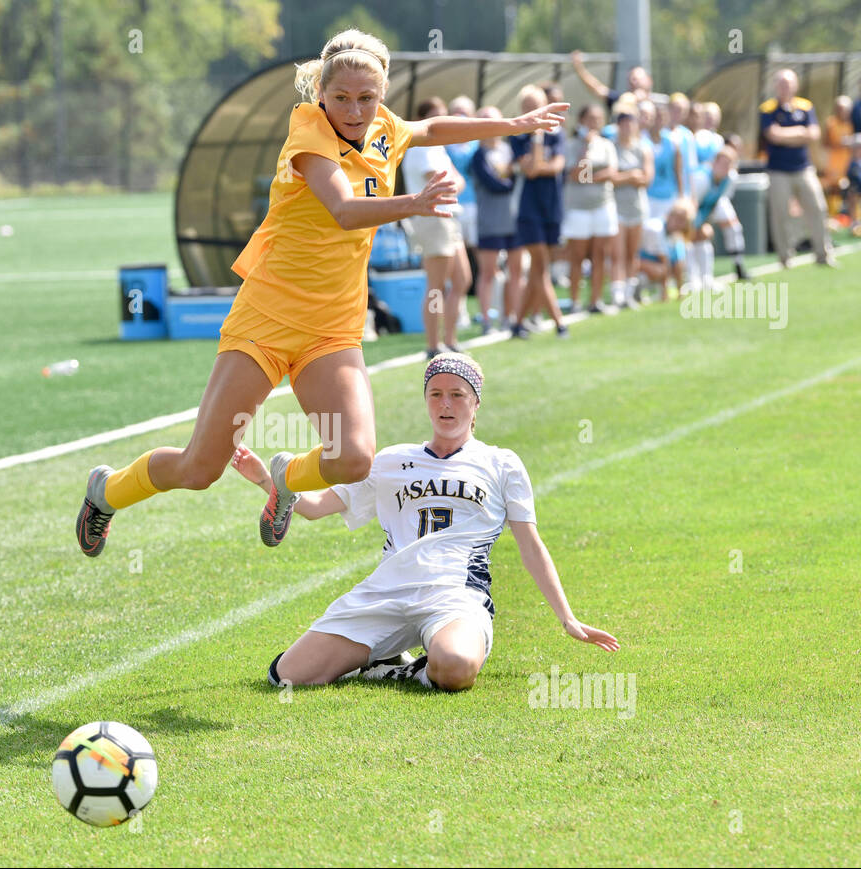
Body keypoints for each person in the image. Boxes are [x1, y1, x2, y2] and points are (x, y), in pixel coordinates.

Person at [75, 29, 568, 558]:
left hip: (332, 329)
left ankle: (286, 477)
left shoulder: (385, 126)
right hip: (265, 318)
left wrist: (512, 124)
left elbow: (430, 127)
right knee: (199, 469)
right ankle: (106, 490)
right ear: (321, 95)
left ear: (381, 97)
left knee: (355, 459)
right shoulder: (308, 133)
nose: (355, 110)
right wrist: (415, 203)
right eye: (342, 98)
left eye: (367, 98)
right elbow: (344, 211)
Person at [228, 353, 618, 691]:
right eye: (436, 394)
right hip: (387, 591)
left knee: (456, 667)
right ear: (426, 400)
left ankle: (397, 670)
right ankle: (385, 653)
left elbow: (530, 545)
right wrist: (269, 480)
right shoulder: (389, 460)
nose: (445, 404)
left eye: (457, 394)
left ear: (475, 403)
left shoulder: (502, 464)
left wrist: (567, 618)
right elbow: (314, 507)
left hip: (455, 596)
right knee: (288, 677)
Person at [403, 96, 471, 357]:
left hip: (449, 217)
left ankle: (450, 339)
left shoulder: (439, 148)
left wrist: (454, 184)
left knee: (462, 279)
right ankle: (433, 344)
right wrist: (454, 184)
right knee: (436, 285)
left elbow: (459, 182)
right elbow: (446, 185)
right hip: (432, 218)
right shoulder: (421, 147)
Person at [510, 85, 569, 339]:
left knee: (537, 268)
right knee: (541, 264)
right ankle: (559, 323)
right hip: (528, 208)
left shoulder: (558, 134)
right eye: (529, 106)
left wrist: (540, 163)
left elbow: (557, 166)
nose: (533, 111)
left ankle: (517, 323)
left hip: (551, 206)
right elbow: (533, 170)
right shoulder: (516, 137)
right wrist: (536, 136)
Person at [760, 69, 836, 268]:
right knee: (780, 213)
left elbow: (813, 134)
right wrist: (799, 133)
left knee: (818, 208)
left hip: (803, 168)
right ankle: (785, 258)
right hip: (778, 170)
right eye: (781, 83)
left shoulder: (805, 106)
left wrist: (788, 135)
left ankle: (823, 254)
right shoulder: (768, 109)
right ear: (776, 86)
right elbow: (773, 135)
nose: (785, 87)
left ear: (795, 85)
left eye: (788, 83)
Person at [563, 103, 619, 313]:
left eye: (598, 118)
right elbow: (577, 175)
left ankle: (595, 300)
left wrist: (590, 177)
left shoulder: (606, 144)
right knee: (576, 256)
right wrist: (585, 153)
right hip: (578, 209)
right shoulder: (572, 145)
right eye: (591, 118)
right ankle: (575, 301)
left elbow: (611, 173)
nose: (595, 123)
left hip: (603, 206)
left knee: (599, 255)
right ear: (582, 121)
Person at [469, 107, 519, 333]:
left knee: (514, 272)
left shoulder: (508, 150)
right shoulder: (479, 155)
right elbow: (495, 184)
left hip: (513, 219)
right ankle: (487, 319)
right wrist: (510, 179)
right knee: (488, 272)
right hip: (490, 220)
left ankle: (512, 316)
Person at [610, 103, 652, 307]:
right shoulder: (611, 147)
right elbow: (607, 177)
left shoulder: (643, 148)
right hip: (616, 207)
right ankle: (617, 293)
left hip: (637, 207)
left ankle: (629, 292)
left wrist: (626, 177)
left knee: (632, 253)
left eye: (630, 123)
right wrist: (629, 176)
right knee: (617, 253)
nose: (627, 127)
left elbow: (646, 177)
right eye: (623, 123)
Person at [446, 94, 481, 330]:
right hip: (452, 208)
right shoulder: (442, 143)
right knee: (454, 266)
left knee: (483, 257)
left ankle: (488, 311)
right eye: (456, 111)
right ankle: (459, 314)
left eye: (465, 111)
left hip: (475, 205)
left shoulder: (478, 142)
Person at [691, 144, 749, 281]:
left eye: (728, 164)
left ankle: (738, 265)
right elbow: (692, 205)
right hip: (693, 209)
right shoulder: (701, 178)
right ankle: (692, 277)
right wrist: (699, 224)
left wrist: (707, 221)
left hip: (710, 206)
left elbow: (719, 199)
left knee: (734, 227)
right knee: (696, 236)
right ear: (714, 162)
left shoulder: (730, 178)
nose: (724, 168)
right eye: (722, 163)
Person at [638, 199, 693, 302]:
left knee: (674, 265)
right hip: (636, 264)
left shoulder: (675, 237)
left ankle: (673, 292)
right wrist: (665, 293)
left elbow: (678, 264)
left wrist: (680, 292)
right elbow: (664, 262)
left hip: (650, 264)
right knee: (660, 270)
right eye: (677, 219)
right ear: (670, 216)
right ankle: (640, 293)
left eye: (683, 221)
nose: (679, 224)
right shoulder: (655, 228)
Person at [570, 50, 652, 109]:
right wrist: (579, 68)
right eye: (630, 79)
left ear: (649, 81)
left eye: (636, 79)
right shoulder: (620, 100)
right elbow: (597, 89)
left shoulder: (659, 104)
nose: (632, 82)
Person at [645, 99, 682, 222]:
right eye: (656, 117)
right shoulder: (641, 140)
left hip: (667, 197)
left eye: (662, 117)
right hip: (647, 197)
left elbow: (678, 171)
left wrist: (680, 196)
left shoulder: (672, 142)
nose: (659, 121)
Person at [822, 95, 856, 218]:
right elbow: (825, 142)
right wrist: (840, 143)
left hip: (845, 161)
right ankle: (831, 215)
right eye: (842, 109)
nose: (844, 112)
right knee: (833, 188)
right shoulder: (831, 123)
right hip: (833, 162)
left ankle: (839, 215)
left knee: (844, 188)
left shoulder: (849, 125)